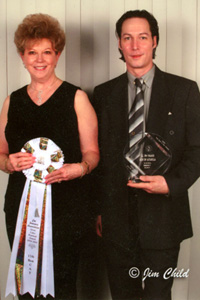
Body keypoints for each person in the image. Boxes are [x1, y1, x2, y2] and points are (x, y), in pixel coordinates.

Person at [93, 9, 200, 300]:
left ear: (154, 41)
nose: (135, 45)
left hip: (164, 218)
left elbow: (197, 150)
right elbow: (98, 157)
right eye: (127, 38)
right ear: (119, 43)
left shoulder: (185, 91)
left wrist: (171, 184)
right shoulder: (103, 94)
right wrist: (100, 210)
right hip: (117, 220)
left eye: (142, 37)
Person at [0, 13, 99, 300]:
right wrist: (8, 163)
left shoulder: (76, 97)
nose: (40, 59)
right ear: (22, 56)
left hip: (67, 208)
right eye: (32, 52)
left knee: (62, 287)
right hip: (20, 206)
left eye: (47, 52)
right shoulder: (12, 100)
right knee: (26, 288)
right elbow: (1, 153)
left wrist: (79, 169)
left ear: (57, 55)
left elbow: (93, 153)